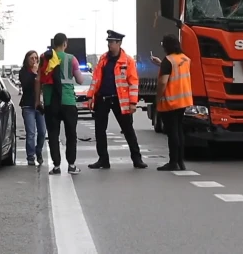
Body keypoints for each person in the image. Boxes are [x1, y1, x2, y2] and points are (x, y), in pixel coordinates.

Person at [87, 30, 148, 170]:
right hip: (103, 98)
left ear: (119, 43)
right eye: (108, 42)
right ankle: (103, 159)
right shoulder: (103, 59)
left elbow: (133, 82)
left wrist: (133, 103)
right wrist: (91, 96)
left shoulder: (127, 60)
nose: (109, 45)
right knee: (99, 130)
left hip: (119, 100)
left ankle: (137, 159)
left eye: (112, 42)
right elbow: (95, 79)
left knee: (127, 129)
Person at [38, 33, 85, 175]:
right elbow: (80, 80)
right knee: (71, 134)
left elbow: (39, 78)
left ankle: (57, 166)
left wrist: (38, 99)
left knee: (53, 134)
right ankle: (71, 165)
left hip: (51, 101)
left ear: (54, 44)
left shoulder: (44, 57)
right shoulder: (72, 59)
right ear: (65, 44)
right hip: (68, 101)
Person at [155, 34, 194, 171]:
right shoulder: (185, 59)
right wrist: (161, 64)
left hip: (170, 101)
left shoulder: (168, 60)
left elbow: (163, 82)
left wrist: (158, 97)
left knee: (172, 133)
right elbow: (176, 70)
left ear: (166, 46)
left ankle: (173, 162)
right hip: (183, 100)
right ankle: (180, 162)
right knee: (179, 131)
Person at [19, 50, 45, 166]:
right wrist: (33, 73)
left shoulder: (41, 71)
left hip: (39, 106)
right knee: (31, 133)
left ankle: (38, 150)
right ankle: (30, 156)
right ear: (27, 60)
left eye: (36, 58)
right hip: (28, 105)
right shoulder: (23, 72)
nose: (34, 60)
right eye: (32, 58)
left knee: (42, 132)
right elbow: (26, 84)